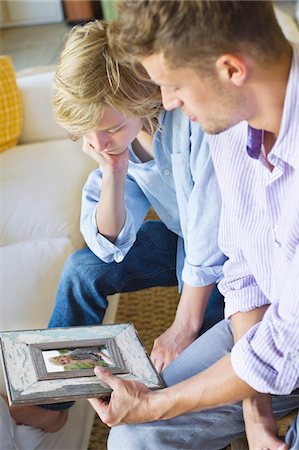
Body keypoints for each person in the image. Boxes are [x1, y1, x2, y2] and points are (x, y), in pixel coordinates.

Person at [85, 2, 299, 449]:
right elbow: (244, 274)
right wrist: (254, 410)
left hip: (284, 342)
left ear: (231, 69)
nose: (166, 104)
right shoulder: (231, 127)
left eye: (175, 85)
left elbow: (282, 347)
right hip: (268, 336)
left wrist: (155, 404)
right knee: (132, 438)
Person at [8, 20, 226, 432]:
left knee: (193, 344)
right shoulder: (115, 143)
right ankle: (51, 406)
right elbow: (110, 242)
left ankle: (184, 416)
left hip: (225, 248)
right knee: (81, 270)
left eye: (109, 129)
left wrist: (183, 324)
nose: (99, 141)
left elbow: (209, 231)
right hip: (182, 237)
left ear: (140, 95)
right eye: (88, 133)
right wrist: (114, 168)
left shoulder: (189, 120)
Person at [49, 347, 113, 367]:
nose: (66, 361)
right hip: (102, 358)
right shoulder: (75, 360)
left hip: (102, 352)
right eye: (64, 363)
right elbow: (93, 360)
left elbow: (94, 350)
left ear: (61, 356)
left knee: (112, 362)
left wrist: (107, 358)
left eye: (62, 360)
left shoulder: (74, 353)